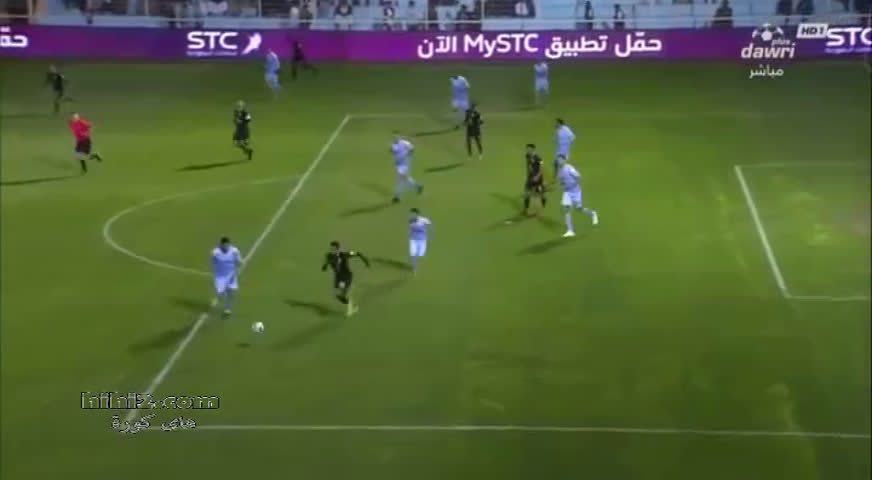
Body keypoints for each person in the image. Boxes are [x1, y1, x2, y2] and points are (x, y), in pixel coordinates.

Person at [321, 241, 370, 317]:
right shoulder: (329, 255)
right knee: (337, 296)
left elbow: (357, 253)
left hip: (346, 276)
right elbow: (327, 262)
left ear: (338, 249)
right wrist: (325, 266)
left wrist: (365, 260)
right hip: (338, 277)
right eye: (331, 249)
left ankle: (351, 309)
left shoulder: (344, 255)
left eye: (334, 249)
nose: (332, 250)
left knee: (342, 293)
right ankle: (351, 305)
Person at [556, 155, 598, 237]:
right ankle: (570, 230)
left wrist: (574, 185)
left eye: (560, 160)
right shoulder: (559, 171)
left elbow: (578, 176)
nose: (559, 161)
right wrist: (562, 185)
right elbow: (561, 181)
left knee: (579, 209)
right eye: (558, 160)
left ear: (564, 160)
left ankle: (593, 213)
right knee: (567, 209)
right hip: (567, 192)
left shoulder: (569, 168)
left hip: (576, 192)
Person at [212, 236, 242, 316]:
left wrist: (234, 274)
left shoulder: (234, 251)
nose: (226, 247)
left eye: (227, 245)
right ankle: (226, 302)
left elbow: (239, 262)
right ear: (221, 245)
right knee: (220, 293)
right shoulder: (216, 252)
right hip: (220, 276)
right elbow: (214, 263)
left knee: (231, 292)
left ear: (229, 244)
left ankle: (227, 309)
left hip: (231, 274)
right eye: (224, 245)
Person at [390, 133, 423, 203]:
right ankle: (417, 187)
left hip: (405, 164)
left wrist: (408, 154)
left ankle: (397, 197)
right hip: (400, 165)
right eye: (394, 138)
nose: (395, 138)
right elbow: (393, 152)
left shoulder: (404, 143)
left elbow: (411, 149)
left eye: (396, 137)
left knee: (400, 179)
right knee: (403, 179)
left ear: (399, 137)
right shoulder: (395, 145)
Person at [523, 143, 546, 214]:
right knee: (527, 193)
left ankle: (542, 207)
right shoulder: (527, 155)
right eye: (527, 149)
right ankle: (526, 209)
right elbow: (529, 165)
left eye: (529, 149)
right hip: (530, 178)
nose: (528, 150)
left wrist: (537, 176)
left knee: (542, 194)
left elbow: (542, 168)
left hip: (538, 179)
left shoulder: (538, 158)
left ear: (533, 149)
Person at [408, 208, 431, 274]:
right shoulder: (411, 220)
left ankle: (415, 264)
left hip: (422, 239)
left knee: (421, 254)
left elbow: (430, 224)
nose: (411, 215)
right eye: (411, 214)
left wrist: (429, 234)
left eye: (413, 214)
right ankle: (414, 268)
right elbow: (411, 228)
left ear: (417, 214)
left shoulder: (423, 220)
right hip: (413, 239)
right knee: (413, 254)